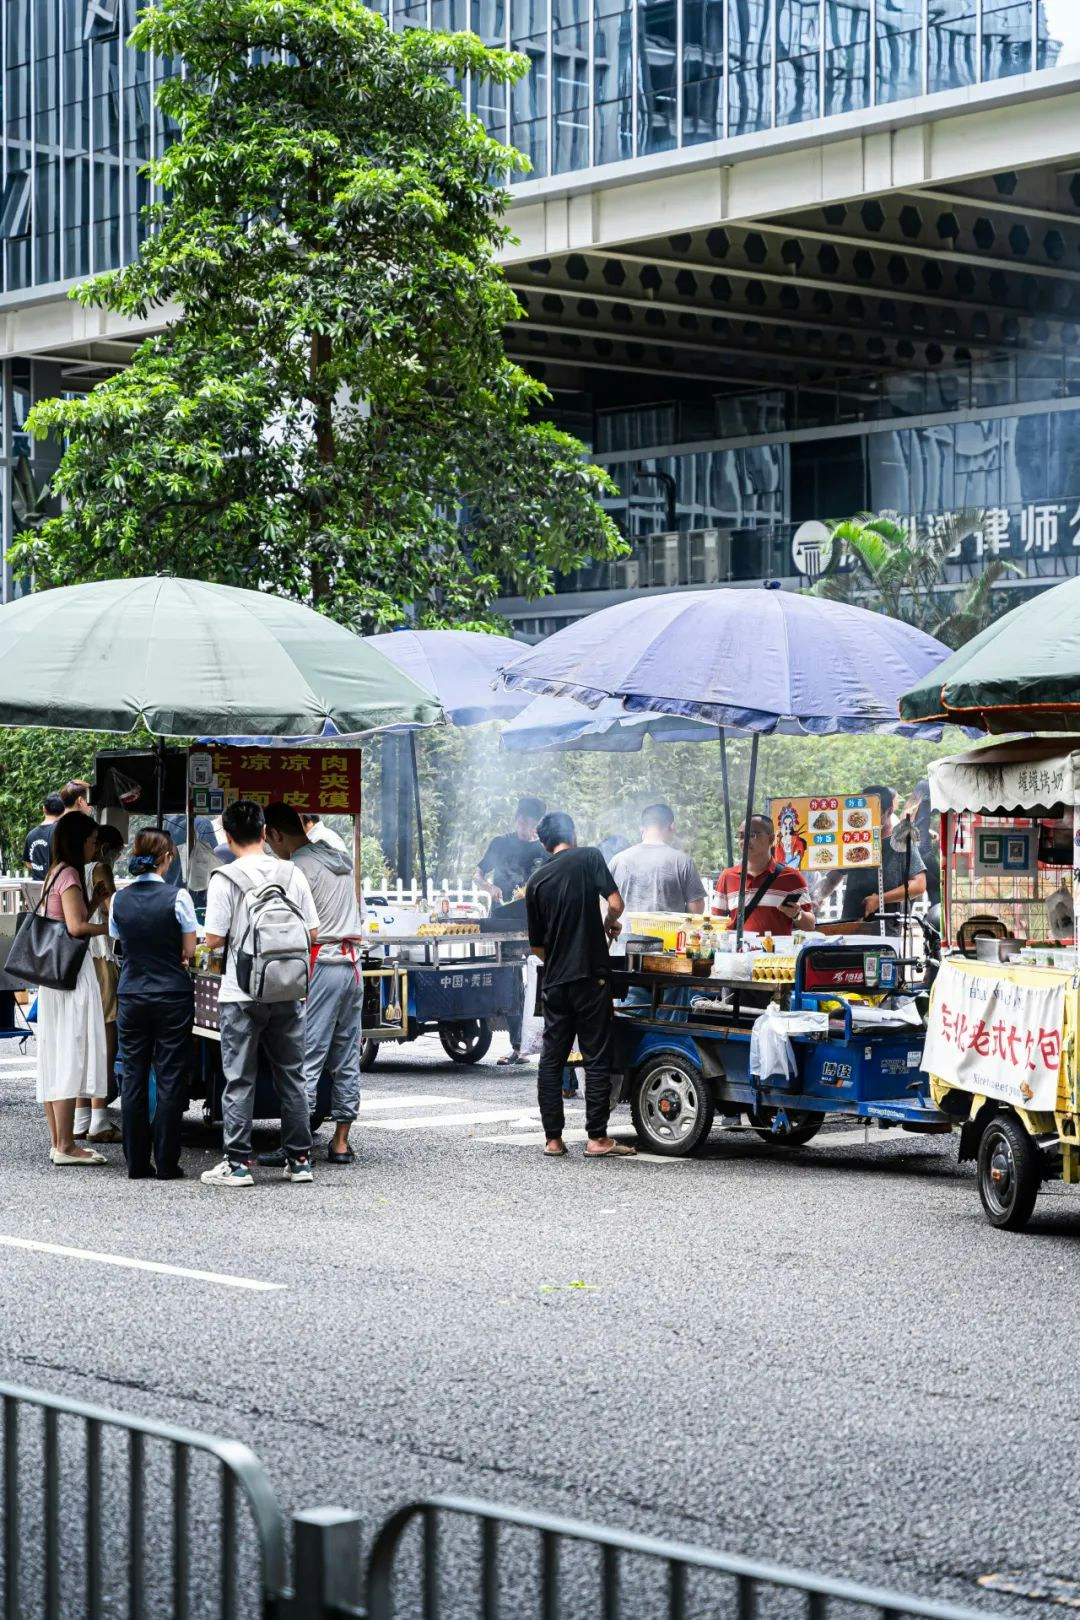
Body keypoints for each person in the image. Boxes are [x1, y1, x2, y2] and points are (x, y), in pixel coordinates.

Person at [201, 799, 320, 1188]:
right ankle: (300, 1160)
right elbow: (312, 933)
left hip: (241, 993)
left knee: (239, 1078)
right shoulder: (292, 873)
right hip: (288, 989)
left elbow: (215, 938)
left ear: (230, 836)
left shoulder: (225, 878)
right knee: (293, 1077)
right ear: (266, 831)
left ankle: (237, 1165)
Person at [525, 811, 634, 1159]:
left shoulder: (536, 881)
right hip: (591, 975)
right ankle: (597, 1138)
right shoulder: (588, 856)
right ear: (573, 833)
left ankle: (553, 1140)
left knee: (552, 1059)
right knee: (596, 1055)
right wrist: (608, 923)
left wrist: (560, 956)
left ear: (544, 844)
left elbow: (536, 946)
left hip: (555, 981)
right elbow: (616, 903)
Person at [265, 802, 364, 1164]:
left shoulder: (297, 868)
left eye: (269, 841)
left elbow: (287, 927)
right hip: (353, 965)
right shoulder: (339, 859)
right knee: (346, 1054)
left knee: (306, 1054)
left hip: (321, 964)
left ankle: (297, 1145)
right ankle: (340, 1141)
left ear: (276, 833)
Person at [109, 829, 197, 1180]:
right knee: (170, 1076)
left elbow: (120, 941)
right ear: (166, 858)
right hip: (172, 995)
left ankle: (136, 1163)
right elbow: (189, 949)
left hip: (132, 994)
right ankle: (167, 1162)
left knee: (133, 1075)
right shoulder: (178, 897)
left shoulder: (119, 899)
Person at [34, 811, 110, 1166]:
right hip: (70, 975)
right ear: (79, 840)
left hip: (53, 977)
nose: (96, 846)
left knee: (56, 1053)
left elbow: (71, 918)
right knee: (69, 1050)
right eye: (93, 840)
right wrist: (110, 927)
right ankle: (66, 1145)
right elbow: (77, 928)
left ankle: (58, 1141)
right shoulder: (69, 874)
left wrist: (94, 902)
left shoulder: (56, 873)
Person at [476, 796, 547, 1066]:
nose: (523, 824)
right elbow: (478, 874)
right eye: (520, 818)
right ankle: (517, 1046)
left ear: (538, 823)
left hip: (536, 922)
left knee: (539, 981)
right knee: (510, 980)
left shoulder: (544, 849)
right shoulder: (500, 843)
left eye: (529, 820)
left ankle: (542, 1043)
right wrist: (488, 888)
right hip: (503, 919)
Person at [75, 822, 125, 1142]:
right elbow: (115, 910)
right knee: (105, 1039)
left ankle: (81, 1118)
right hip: (101, 957)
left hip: (79, 961)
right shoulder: (100, 867)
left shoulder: (68, 871)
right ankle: (100, 1120)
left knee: (83, 1039)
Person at [818, 785, 927, 925]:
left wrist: (880, 899)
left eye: (874, 813)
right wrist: (816, 898)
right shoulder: (853, 841)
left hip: (886, 928)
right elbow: (832, 879)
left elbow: (919, 884)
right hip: (850, 924)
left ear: (889, 811)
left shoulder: (901, 840)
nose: (867, 819)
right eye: (863, 814)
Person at [715, 816, 815, 936]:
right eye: (741, 836)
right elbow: (716, 922)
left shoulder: (792, 877)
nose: (744, 841)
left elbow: (810, 926)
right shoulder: (727, 877)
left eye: (752, 835)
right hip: (740, 953)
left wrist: (797, 914)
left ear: (771, 839)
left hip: (778, 954)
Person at [609, 803, 705, 915]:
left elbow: (603, 900)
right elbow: (696, 906)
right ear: (672, 826)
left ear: (642, 829)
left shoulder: (618, 860)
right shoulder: (683, 862)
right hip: (670, 932)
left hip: (624, 931)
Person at [902, 779, 940, 906]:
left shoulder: (910, 806)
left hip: (910, 854)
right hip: (924, 854)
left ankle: (902, 922)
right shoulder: (925, 804)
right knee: (941, 882)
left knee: (915, 890)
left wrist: (928, 832)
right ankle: (935, 921)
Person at [22, 792, 64, 881]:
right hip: (57, 886)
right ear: (63, 811)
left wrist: (39, 867)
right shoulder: (62, 832)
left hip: (37, 887)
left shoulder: (31, 835)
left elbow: (28, 862)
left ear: (44, 809)